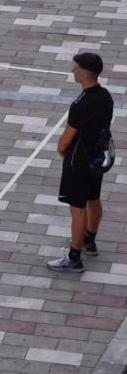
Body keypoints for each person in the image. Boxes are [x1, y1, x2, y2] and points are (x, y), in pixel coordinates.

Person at [47, 52, 113, 272]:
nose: (72, 71)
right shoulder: (105, 96)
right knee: (93, 198)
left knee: (77, 209)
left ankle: (74, 257)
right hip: (97, 159)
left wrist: (61, 148)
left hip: (79, 162)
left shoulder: (80, 104)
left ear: (84, 72)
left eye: (75, 68)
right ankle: (89, 239)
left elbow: (66, 138)